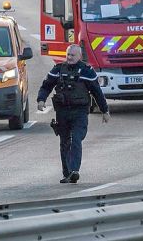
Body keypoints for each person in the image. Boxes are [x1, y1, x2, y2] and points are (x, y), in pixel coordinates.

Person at [37, 44, 110, 184]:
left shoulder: (87, 71)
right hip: (62, 112)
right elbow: (46, 86)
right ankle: (68, 173)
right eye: (68, 55)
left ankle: (74, 170)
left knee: (76, 139)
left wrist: (104, 110)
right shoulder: (58, 69)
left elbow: (97, 92)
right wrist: (41, 99)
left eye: (73, 55)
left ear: (80, 56)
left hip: (80, 112)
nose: (69, 57)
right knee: (65, 142)